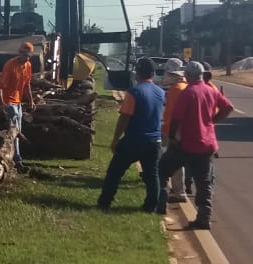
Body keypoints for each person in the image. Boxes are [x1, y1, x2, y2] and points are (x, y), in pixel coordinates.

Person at [158, 61, 235, 229]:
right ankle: (204, 218)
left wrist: (171, 137)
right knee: (203, 182)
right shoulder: (210, 90)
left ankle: (160, 205)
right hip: (207, 143)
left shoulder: (188, 93)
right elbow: (228, 108)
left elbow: (176, 119)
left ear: (187, 76)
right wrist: (212, 121)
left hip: (187, 143)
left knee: (162, 169)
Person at [97, 58, 165, 212]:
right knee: (152, 176)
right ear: (153, 74)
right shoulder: (160, 92)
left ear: (138, 73)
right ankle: (151, 206)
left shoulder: (134, 92)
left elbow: (124, 117)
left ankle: (104, 202)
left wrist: (115, 140)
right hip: (154, 141)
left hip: (134, 140)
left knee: (114, 173)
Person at [0, 41, 36, 170]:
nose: (25, 57)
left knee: (17, 132)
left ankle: (13, 159)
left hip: (18, 102)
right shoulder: (10, 65)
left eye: (27, 55)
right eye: (23, 54)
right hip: (9, 102)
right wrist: (3, 103)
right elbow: (0, 86)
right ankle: (17, 161)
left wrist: (31, 100)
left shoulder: (28, 66)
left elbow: (27, 85)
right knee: (15, 132)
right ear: (19, 53)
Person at [159, 58, 188, 203]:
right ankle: (180, 189)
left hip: (174, 131)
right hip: (183, 130)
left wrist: (168, 133)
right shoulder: (184, 87)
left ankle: (178, 192)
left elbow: (171, 114)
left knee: (171, 163)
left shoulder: (175, 90)